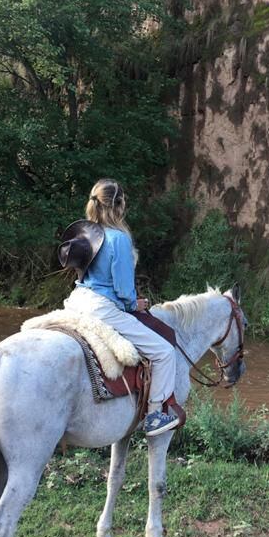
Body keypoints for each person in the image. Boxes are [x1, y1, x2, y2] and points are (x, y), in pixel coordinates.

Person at [61, 178, 179, 437]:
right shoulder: (118, 239)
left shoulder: (85, 234)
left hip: (78, 300)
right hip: (104, 309)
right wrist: (133, 303)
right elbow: (124, 289)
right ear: (119, 205)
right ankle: (155, 415)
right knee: (163, 352)